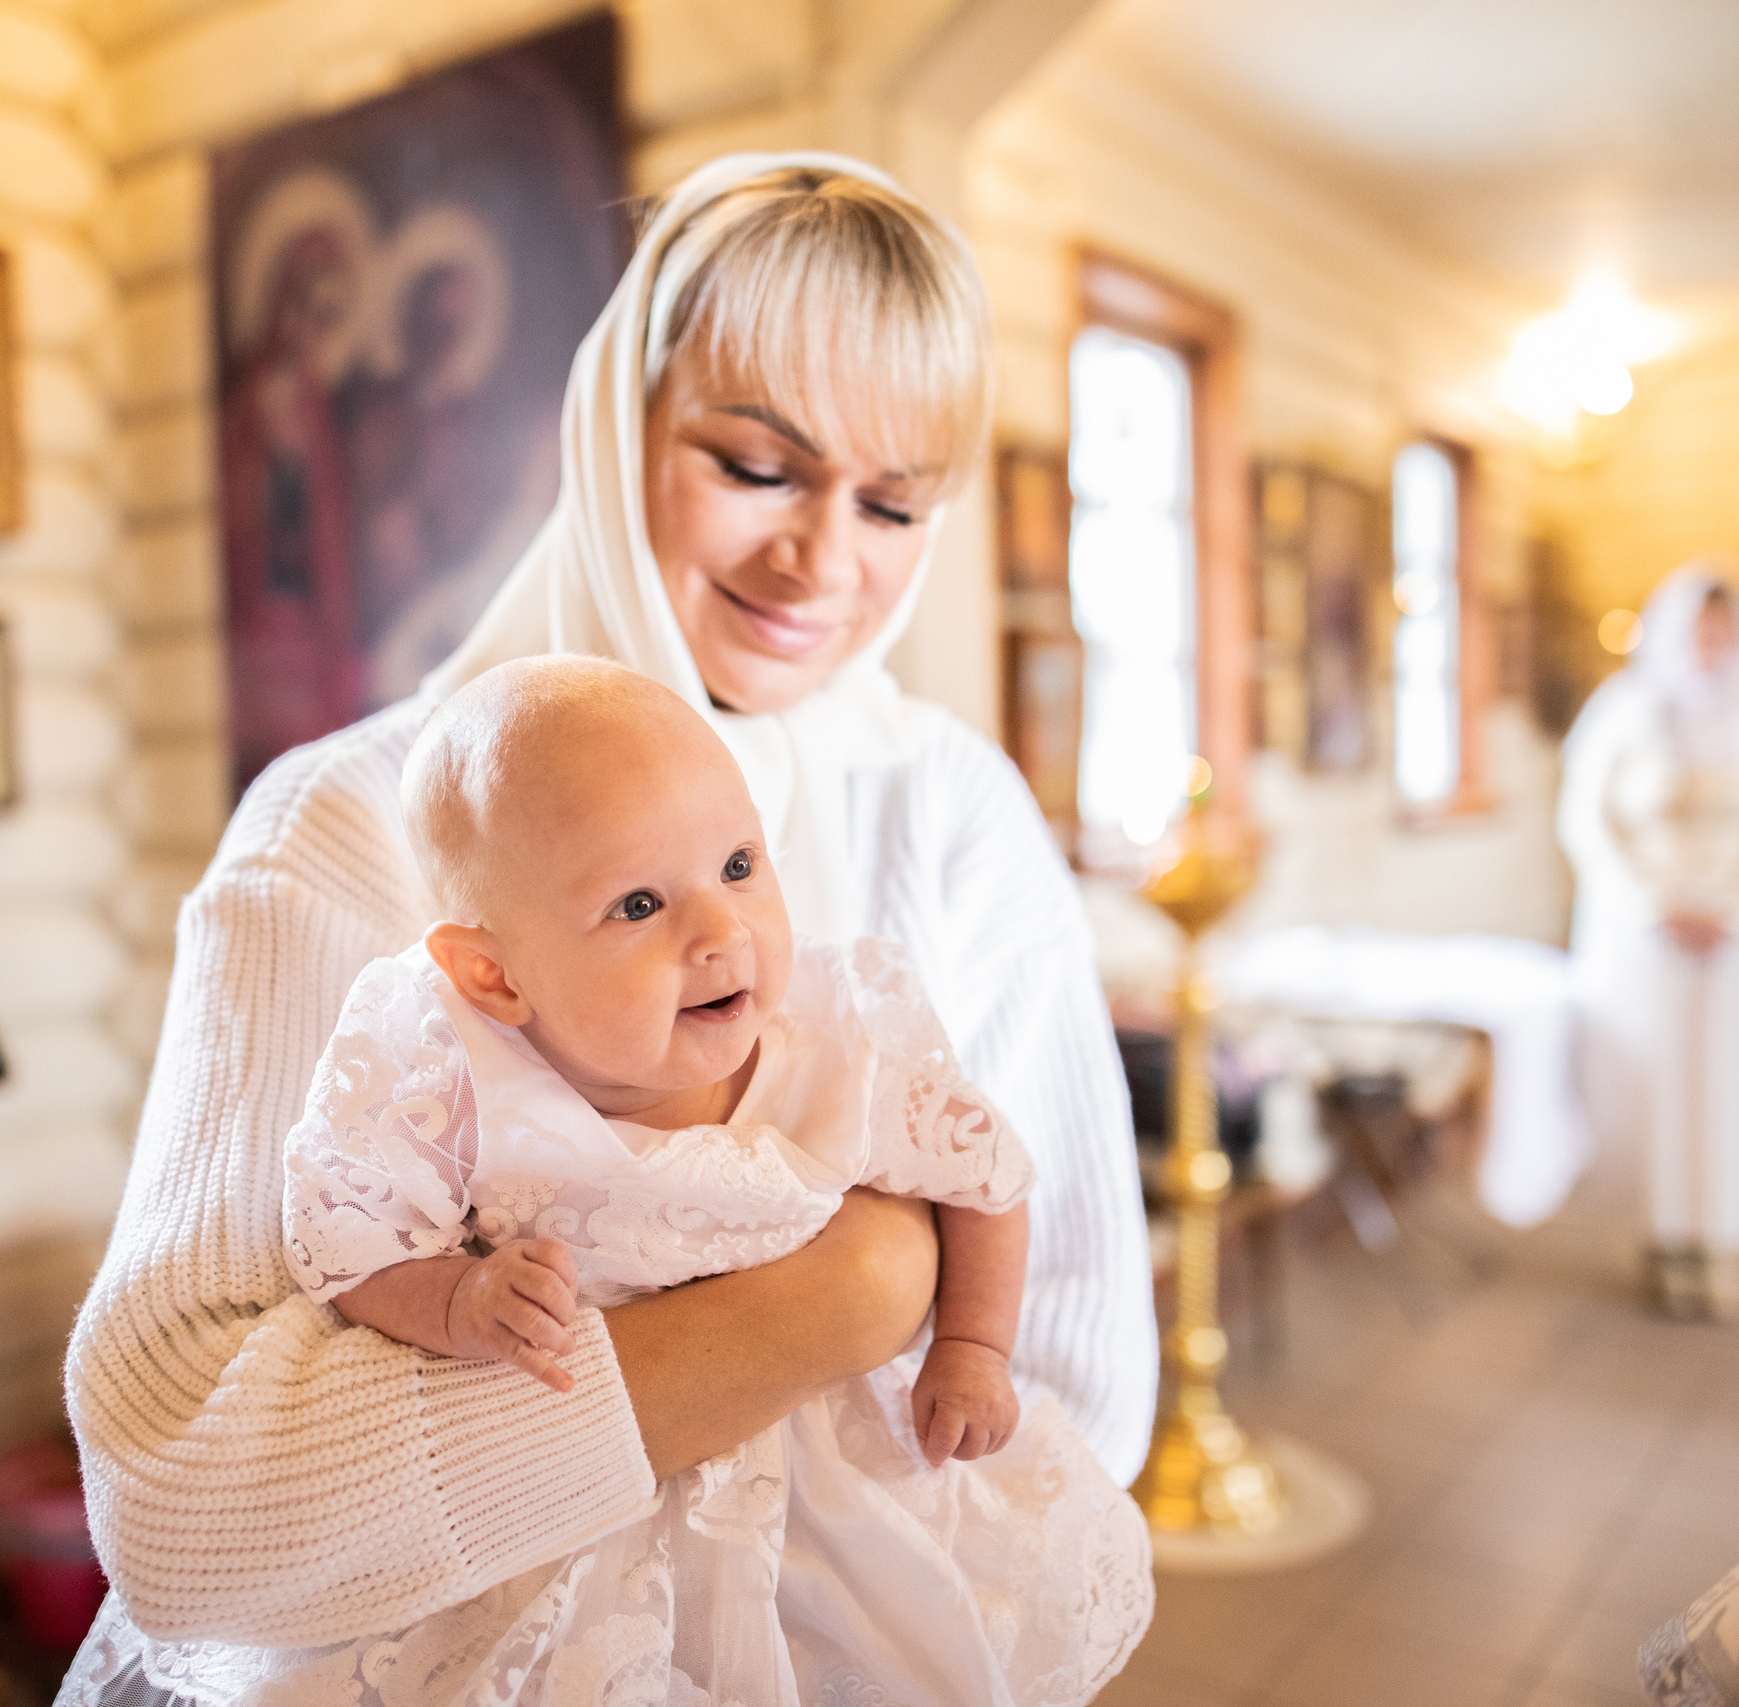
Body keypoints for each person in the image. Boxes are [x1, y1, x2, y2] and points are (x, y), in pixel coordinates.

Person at [59, 154, 1156, 1706]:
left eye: (897, 500)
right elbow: (184, 1509)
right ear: (612, 424)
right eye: (757, 466)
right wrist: (839, 1295)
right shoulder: (346, 824)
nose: (824, 562)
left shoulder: (956, 815)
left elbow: (1077, 1384)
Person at [269, 656, 1145, 1703]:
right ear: (492, 975)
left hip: (834, 1503)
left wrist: (969, 1348)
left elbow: (985, 1180)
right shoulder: (447, 1068)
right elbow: (352, 1246)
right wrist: (456, 1302)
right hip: (571, 1522)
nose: (721, 931)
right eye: (638, 904)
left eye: (739, 865)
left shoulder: (838, 1039)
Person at [1558, 563, 1739, 1320]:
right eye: (1695, 629)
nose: (1709, 643)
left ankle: (1716, 1238)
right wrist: (1651, 906)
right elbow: (1584, 818)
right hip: (1645, 931)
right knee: (1652, 1080)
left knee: (1729, 1080)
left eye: (1721, 629)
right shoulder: (1622, 706)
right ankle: (1660, 1231)